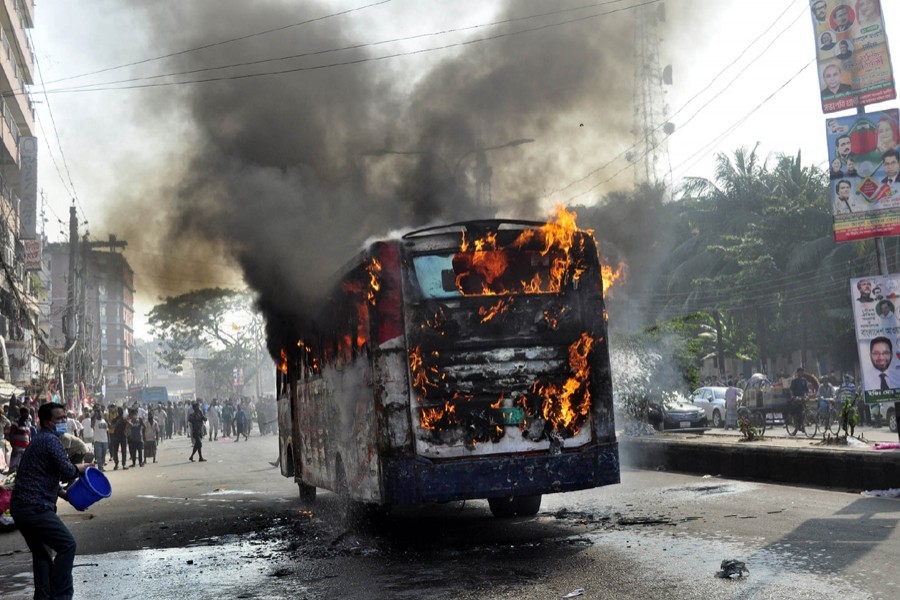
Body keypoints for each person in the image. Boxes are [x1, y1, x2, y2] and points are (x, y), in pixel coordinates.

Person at [9, 402, 90, 600]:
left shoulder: (40, 440)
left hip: (21, 508)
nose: (63, 421)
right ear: (46, 422)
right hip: (35, 508)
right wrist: (83, 467)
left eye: (64, 417)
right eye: (58, 419)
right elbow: (68, 470)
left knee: (42, 554)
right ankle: (61, 596)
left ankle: (43, 597)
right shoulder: (51, 441)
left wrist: (66, 496)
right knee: (67, 545)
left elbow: (42, 477)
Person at [789, 368, 810, 432]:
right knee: (796, 413)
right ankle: (796, 426)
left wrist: (807, 396)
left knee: (803, 412)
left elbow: (806, 390)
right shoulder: (794, 381)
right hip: (796, 398)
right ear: (797, 373)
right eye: (799, 372)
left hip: (802, 398)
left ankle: (802, 425)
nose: (800, 373)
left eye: (802, 372)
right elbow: (791, 390)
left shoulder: (804, 380)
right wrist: (792, 396)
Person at [108, 405, 128, 470]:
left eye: (121, 411)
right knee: (115, 451)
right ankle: (116, 464)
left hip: (123, 436)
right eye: (119, 411)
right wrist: (117, 422)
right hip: (116, 436)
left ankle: (124, 464)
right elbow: (112, 426)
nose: (120, 412)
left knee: (124, 451)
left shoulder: (124, 419)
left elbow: (130, 425)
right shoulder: (115, 419)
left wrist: (126, 430)